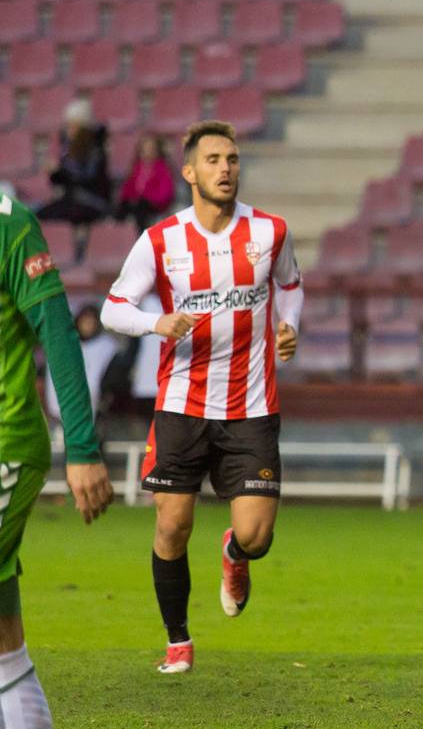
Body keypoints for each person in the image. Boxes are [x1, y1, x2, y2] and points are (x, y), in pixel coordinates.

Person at [100, 120, 304, 674]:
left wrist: (289, 326)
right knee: (172, 525)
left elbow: (289, 285)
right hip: (182, 405)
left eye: (232, 159)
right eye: (213, 160)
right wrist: (155, 322)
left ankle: (235, 556)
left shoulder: (270, 232)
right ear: (189, 172)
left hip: (253, 407)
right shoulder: (162, 240)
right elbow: (111, 308)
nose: (225, 169)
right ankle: (177, 640)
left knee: (258, 535)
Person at [0, 191, 115, 729]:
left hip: (6, 441)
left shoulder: (9, 222)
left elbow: (58, 330)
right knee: (4, 637)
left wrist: (83, 447)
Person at [35, 100, 112, 263]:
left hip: (92, 202)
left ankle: (77, 255)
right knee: (38, 215)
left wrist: (60, 171)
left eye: (73, 126)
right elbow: (64, 181)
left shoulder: (95, 150)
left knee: (52, 213)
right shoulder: (69, 148)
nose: (68, 130)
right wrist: (54, 173)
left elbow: (87, 178)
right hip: (73, 200)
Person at [44, 305, 121, 425]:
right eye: (84, 321)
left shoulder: (106, 346)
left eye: (91, 322)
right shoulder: (65, 345)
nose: (87, 326)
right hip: (65, 404)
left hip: (96, 408)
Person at [113, 133, 177, 234]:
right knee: (121, 208)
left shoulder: (163, 168)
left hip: (153, 204)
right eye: (145, 149)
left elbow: (165, 192)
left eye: (151, 149)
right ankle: (118, 235)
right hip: (137, 203)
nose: (148, 152)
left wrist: (147, 197)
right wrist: (130, 198)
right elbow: (128, 187)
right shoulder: (136, 168)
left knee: (141, 210)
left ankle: (141, 237)